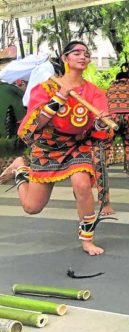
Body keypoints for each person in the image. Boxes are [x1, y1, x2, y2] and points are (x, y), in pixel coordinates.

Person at [0, 41, 112, 255]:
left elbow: (97, 129)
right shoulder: (46, 88)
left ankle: (87, 240)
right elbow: (36, 123)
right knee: (32, 207)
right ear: (65, 58)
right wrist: (60, 96)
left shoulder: (94, 93)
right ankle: (21, 168)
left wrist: (100, 121)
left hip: (76, 145)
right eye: (76, 52)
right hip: (47, 146)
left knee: (82, 184)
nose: (83, 56)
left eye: (86, 53)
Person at [106, 69, 129, 177]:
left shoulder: (109, 89)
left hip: (112, 117)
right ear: (128, 79)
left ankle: (100, 169)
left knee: (107, 144)